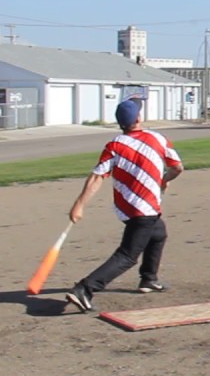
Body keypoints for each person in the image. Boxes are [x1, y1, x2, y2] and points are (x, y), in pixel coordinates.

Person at [65, 97, 184, 313]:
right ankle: (84, 289)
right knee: (127, 256)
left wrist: (79, 205)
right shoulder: (157, 139)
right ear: (138, 118)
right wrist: (164, 179)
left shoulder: (114, 146)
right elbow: (177, 168)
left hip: (126, 208)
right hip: (145, 209)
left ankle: (149, 278)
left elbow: (97, 177)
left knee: (158, 234)